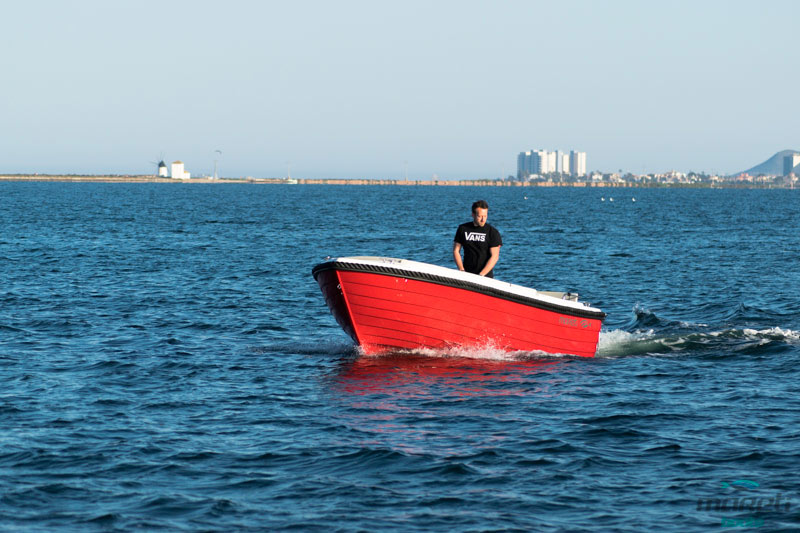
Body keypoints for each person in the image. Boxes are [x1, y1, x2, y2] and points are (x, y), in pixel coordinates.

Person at [453, 200, 502, 277]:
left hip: (485, 277)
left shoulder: (493, 232)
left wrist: (481, 275)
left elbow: (495, 257)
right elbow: (456, 250)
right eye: (480, 216)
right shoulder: (463, 229)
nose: (483, 219)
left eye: (485, 216)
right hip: (466, 274)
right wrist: (461, 270)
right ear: (473, 215)